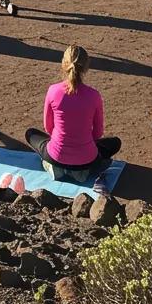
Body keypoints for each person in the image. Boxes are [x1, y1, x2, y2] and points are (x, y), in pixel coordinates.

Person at [25, 45, 122, 195]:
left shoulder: (53, 90)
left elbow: (48, 127)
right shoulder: (94, 95)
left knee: (31, 133)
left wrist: (63, 141)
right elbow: (97, 133)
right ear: (86, 67)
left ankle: (55, 168)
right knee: (114, 143)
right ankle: (85, 169)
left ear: (64, 64)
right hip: (86, 161)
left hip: (56, 156)